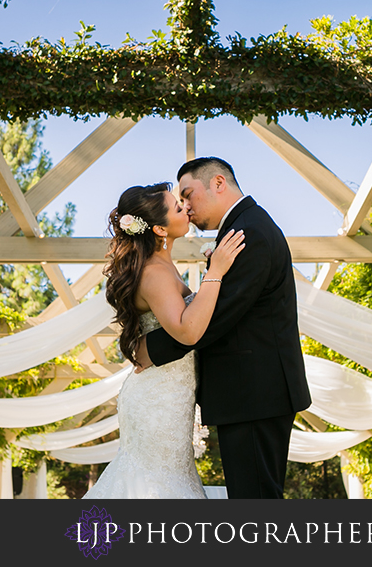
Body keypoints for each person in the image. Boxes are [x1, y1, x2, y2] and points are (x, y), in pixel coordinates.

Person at [135, 157, 312, 498]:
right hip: (253, 393)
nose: (186, 207)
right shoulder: (245, 227)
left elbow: (214, 319)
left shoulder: (248, 233)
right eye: (180, 201)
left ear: (218, 183)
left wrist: (149, 349)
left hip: (254, 393)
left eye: (188, 195)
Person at [83, 182, 245, 499]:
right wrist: (217, 272)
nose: (185, 207)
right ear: (159, 228)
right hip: (158, 399)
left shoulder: (161, 265)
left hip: (171, 393)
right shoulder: (155, 271)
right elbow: (186, 330)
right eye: (176, 206)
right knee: (157, 484)